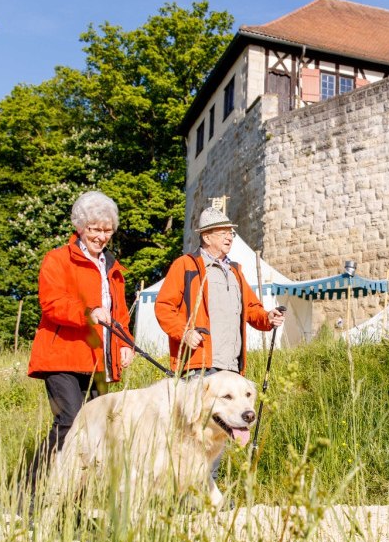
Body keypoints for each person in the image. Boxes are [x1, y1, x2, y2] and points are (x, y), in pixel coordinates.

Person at [25, 191, 135, 490]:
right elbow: (51, 303)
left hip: (98, 360)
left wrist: (125, 343)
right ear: (80, 227)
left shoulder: (112, 268)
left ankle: (72, 495)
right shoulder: (58, 259)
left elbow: (119, 314)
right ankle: (30, 492)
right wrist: (88, 313)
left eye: (107, 230)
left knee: (94, 430)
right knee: (69, 424)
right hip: (62, 356)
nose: (101, 236)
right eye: (94, 229)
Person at [154, 207, 283, 376]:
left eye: (231, 233)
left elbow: (251, 308)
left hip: (233, 365)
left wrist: (267, 318)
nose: (229, 237)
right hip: (199, 365)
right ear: (207, 237)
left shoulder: (235, 271)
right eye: (223, 233)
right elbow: (164, 306)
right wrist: (184, 332)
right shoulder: (185, 265)